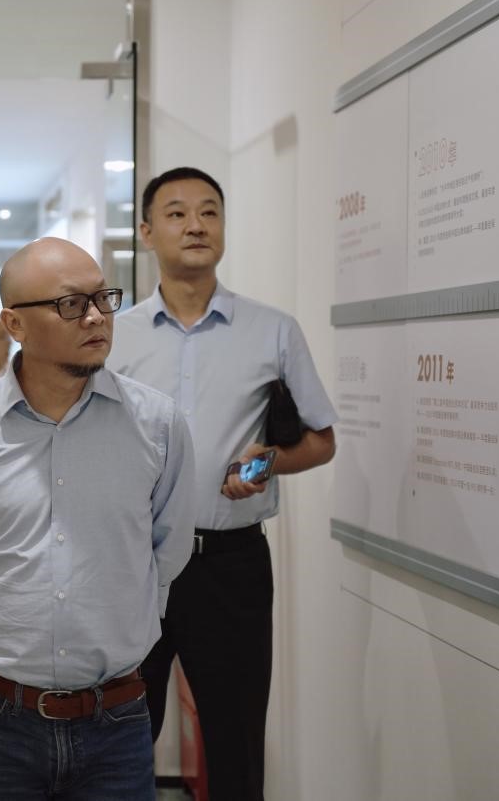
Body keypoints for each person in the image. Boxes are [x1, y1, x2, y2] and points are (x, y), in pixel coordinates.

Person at [0, 237, 196, 801]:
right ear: (14, 323)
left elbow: (169, 543)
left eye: (103, 299)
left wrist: (130, 621)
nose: (95, 317)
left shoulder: (157, 424)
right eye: (70, 304)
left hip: (116, 714)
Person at [109, 167, 337, 800]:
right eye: (177, 213)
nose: (196, 225)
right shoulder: (116, 337)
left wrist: (262, 467)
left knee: (236, 745)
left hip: (230, 566)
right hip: (135, 565)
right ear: (147, 232)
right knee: (121, 743)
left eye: (209, 212)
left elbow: (321, 440)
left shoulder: (273, 330)